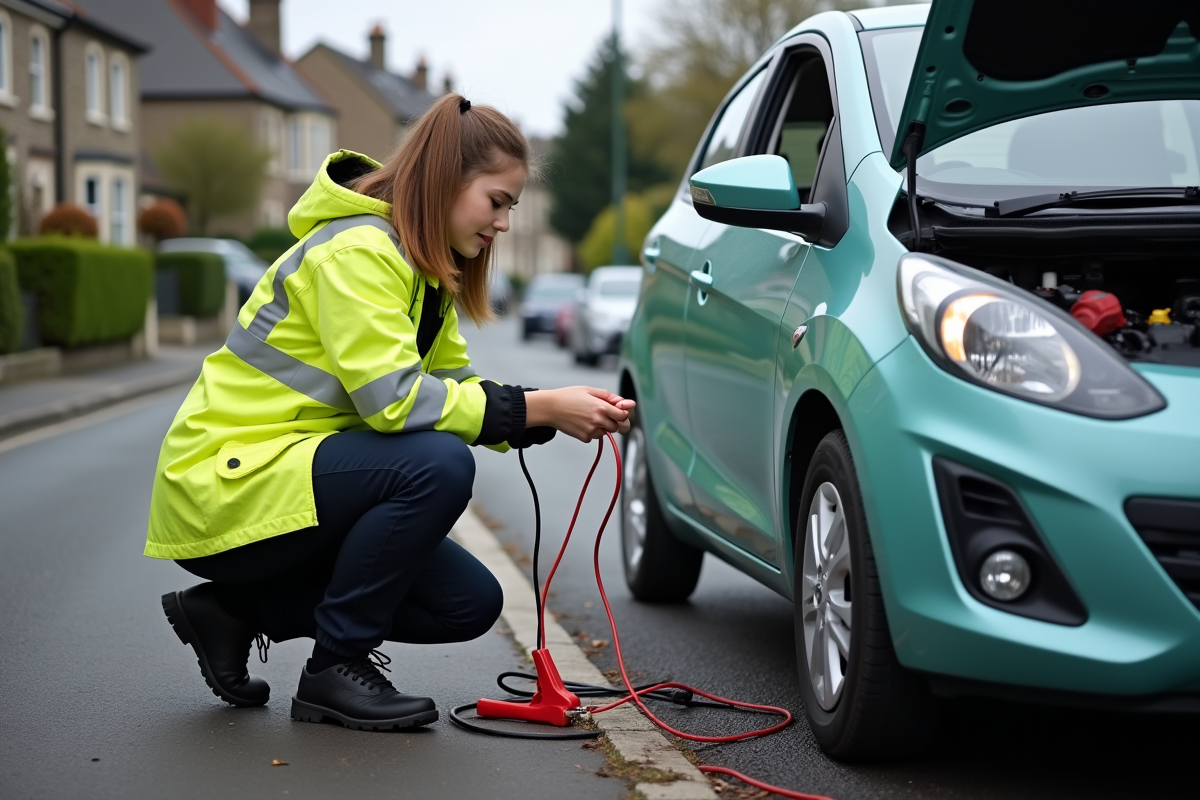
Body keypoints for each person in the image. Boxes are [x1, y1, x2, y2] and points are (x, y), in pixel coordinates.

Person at [146, 94, 634, 732]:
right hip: (224, 489)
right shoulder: (358, 252)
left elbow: (456, 384)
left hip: (293, 481)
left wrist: (544, 413)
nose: (505, 223)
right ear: (446, 182)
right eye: (498, 201)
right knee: (435, 464)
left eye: (512, 207)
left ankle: (233, 614)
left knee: (469, 603)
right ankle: (333, 669)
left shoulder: (420, 267)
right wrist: (535, 407)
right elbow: (395, 401)